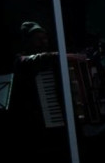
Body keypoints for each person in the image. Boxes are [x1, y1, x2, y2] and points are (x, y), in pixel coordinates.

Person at [8, 21, 69, 161]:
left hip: (57, 125)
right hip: (33, 128)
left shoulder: (51, 59)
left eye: (45, 38)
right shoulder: (21, 60)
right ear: (27, 42)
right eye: (38, 39)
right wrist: (62, 56)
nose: (43, 42)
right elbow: (33, 60)